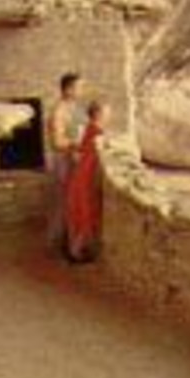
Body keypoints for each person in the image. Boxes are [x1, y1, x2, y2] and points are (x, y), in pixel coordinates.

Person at [64, 99, 110, 264]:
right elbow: (94, 157)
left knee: (82, 212)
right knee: (86, 213)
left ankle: (77, 251)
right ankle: (77, 252)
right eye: (106, 111)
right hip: (86, 176)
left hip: (81, 174)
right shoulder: (96, 132)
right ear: (98, 114)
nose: (109, 115)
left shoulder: (89, 129)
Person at [45, 72, 83, 257]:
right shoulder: (58, 111)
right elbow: (57, 143)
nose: (81, 91)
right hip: (62, 162)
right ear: (68, 89)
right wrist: (77, 143)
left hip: (72, 161)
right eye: (78, 87)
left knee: (72, 203)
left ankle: (68, 246)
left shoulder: (73, 108)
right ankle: (55, 247)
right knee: (62, 203)